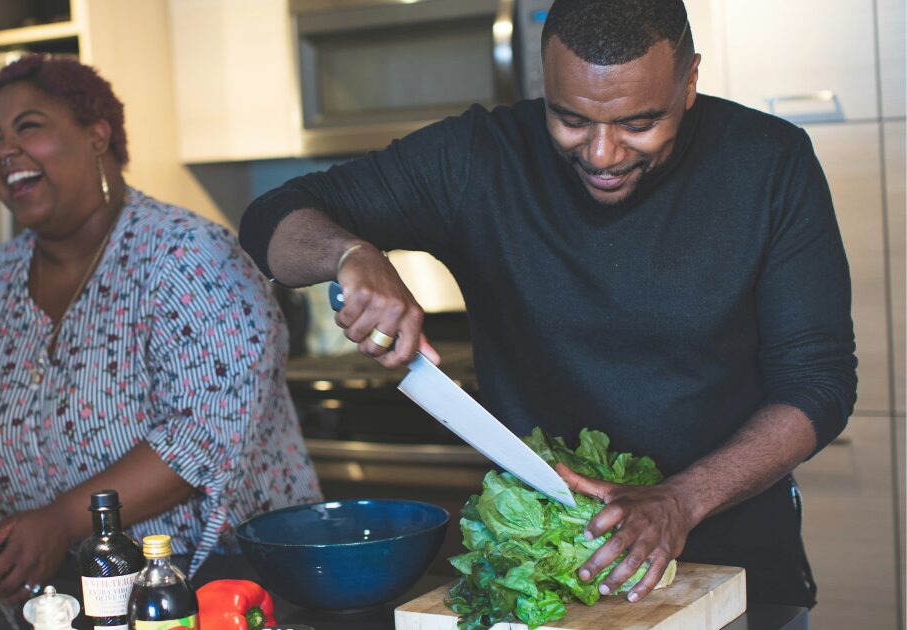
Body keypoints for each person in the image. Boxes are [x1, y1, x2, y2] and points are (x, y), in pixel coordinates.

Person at [240, 0, 855, 610]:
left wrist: (681, 500)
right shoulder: (479, 158)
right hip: (548, 573)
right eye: (571, 120)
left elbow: (818, 383)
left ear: (689, 80)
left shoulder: (769, 162)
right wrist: (350, 252)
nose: (602, 153)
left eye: (638, 124)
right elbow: (272, 218)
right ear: (545, 77)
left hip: (736, 563)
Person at [0, 54, 321, 609]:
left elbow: (205, 433)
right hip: (46, 596)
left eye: (28, 127)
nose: (5, 149)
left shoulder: (189, 256)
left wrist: (62, 521)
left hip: (210, 586)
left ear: (97, 135)